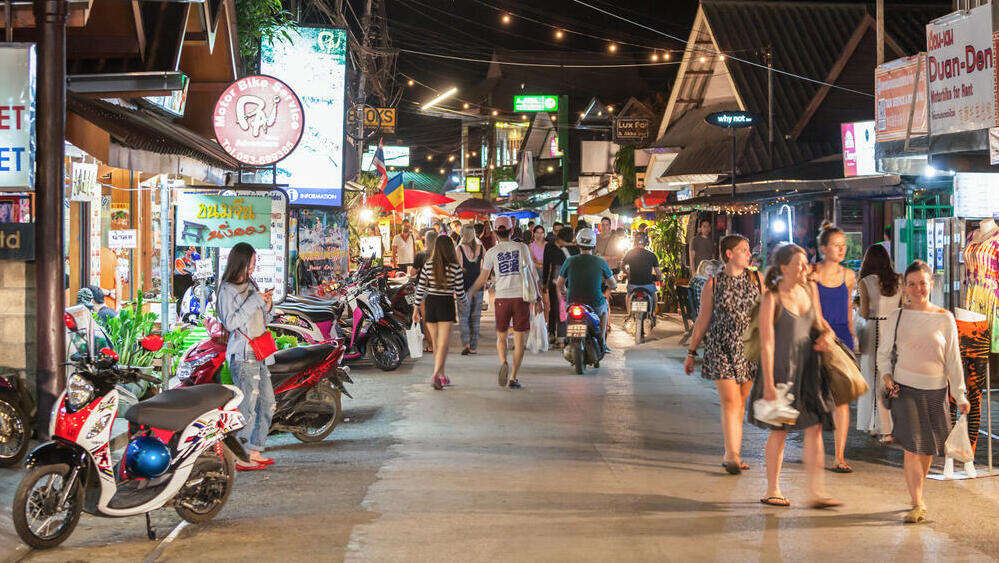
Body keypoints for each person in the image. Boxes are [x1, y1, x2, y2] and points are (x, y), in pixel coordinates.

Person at [878, 260, 970, 524]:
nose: (918, 288)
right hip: (904, 390)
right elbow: (883, 356)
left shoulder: (945, 318)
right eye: (912, 284)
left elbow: (953, 360)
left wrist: (960, 395)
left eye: (922, 283)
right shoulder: (897, 316)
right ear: (904, 288)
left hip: (936, 391)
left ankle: (919, 497)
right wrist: (887, 378)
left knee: (927, 448)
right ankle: (917, 501)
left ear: (931, 284)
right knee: (912, 447)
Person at [748, 243, 839, 508]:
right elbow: (766, 342)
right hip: (779, 372)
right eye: (799, 264)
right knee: (780, 431)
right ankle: (772, 489)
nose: (805, 268)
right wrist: (768, 385)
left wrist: (829, 336)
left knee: (814, 428)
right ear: (784, 268)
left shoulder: (807, 291)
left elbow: (820, 324)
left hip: (808, 370)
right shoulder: (771, 298)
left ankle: (817, 492)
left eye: (806, 263)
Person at [684, 235, 761, 475]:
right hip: (721, 346)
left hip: (749, 346)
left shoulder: (757, 278)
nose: (749, 254)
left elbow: (769, 311)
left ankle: (732, 449)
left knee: (741, 401)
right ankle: (732, 454)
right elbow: (703, 320)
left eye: (748, 250)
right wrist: (691, 351)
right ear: (729, 254)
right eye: (744, 250)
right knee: (730, 400)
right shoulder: (714, 284)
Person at [217, 243, 275, 471]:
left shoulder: (252, 285)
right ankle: (237, 453)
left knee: (268, 402)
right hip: (243, 353)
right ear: (241, 262)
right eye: (252, 261)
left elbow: (263, 320)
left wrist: (268, 305)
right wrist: (255, 301)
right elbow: (230, 323)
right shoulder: (227, 290)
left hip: (260, 350)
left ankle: (254, 450)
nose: (254, 266)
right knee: (247, 406)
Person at [469, 216, 542, 389]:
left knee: (501, 336)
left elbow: (483, 278)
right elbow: (533, 275)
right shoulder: (522, 248)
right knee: (519, 340)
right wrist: (538, 299)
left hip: (502, 298)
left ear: (494, 232)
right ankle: (513, 377)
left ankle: (503, 362)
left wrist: (470, 292)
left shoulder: (492, 252)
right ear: (511, 231)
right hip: (521, 299)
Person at [814, 226, 858, 473]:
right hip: (819, 337)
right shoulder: (813, 273)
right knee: (819, 398)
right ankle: (817, 452)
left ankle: (839, 456)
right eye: (836, 245)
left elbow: (849, 308)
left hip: (842, 337)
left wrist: (852, 337)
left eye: (844, 245)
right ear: (823, 248)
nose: (842, 249)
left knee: (842, 400)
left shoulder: (849, 276)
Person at [857, 244, 902, 441]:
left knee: (873, 376)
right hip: (895, 329)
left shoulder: (865, 281)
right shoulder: (899, 279)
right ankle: (893, 423)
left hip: (874, 329)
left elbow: (865, 313)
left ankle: (876, 425)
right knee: (891, 376)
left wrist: (857, 308)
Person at [413, 236, 467, 390]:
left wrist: (415, 308)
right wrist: (465, 303)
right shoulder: (455, 268)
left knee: (437, 344)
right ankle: (436, 373)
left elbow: (421, 288)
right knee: (443, 343)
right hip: (446, 304)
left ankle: (442, 375)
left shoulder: (428, 265)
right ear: (450, 249)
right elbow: (460, 292)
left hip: (431, 303)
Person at [556, 228, 616, 352]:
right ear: (593, 245)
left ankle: (568, 339)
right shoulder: (600, 261)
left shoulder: (570, 260)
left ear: (578, 243)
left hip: (572, 301)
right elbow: (613, 283)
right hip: (595, 303)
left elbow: (560, 283)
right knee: (605, 308)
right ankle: (603, 341)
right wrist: (611, 286)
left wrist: (564, 292)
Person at [543, 226, 579, 345]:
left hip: (556, 282)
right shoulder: (576, 250)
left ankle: (558, 335)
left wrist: (544, 283)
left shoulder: (553, 247)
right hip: (570, 283)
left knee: (557, 308)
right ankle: (556, 334)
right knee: (561, 308)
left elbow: (546, 266)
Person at [457, 224, 484, 356]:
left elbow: (458, 268)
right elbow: (485, 266)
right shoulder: (481, 248)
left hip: (463, 286)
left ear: (463, 234)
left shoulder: (459, 249)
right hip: (478, 286)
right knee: (476, 317)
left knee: (463, 317)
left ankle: (466, 344)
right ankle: (473, 347)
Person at [621, 231, 662, 311]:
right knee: (654, 294)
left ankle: (629, 314)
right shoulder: (652, 255)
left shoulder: (630, 253)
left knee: (628, 295)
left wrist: (626, 272)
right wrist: (660, 279)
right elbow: (658, 272)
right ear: (646, 242)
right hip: (648, 285)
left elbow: (622, 265)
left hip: (633, 285)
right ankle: (652, 314)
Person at [529, 225, 548, 326]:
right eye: (537, 232)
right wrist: (542, 263)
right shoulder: (531, 246)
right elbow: (531, 262)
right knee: (537, 299)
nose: (540, 235)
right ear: (534, 234)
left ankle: (545, 322)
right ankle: (537, 323)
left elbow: (549, 262)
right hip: (535, 273)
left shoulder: (548, 245)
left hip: (546, 273)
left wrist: (539, 262)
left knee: (546, 301)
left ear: (544, 234)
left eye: (541, 232)